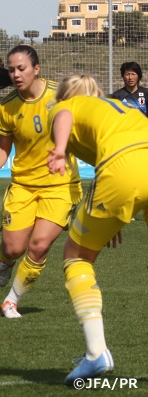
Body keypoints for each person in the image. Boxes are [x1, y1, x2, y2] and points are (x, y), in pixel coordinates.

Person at [47, 74, 147, 384]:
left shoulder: (65, 106)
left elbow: (63, 114)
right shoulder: (117, 107)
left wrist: (60, 148)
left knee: (76, 256)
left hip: (124, 169)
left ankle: (95, 353)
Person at [0, 45, 82, 319]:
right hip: (24, 186)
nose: (16, 74)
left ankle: (11, 300)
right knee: (14, 248)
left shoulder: (61, 95)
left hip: (61, 185)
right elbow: (3, 149)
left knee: (40, 245)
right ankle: (5, 260)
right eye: (11, 69)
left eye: (21, 68)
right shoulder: (7, 108)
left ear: (36, 69)